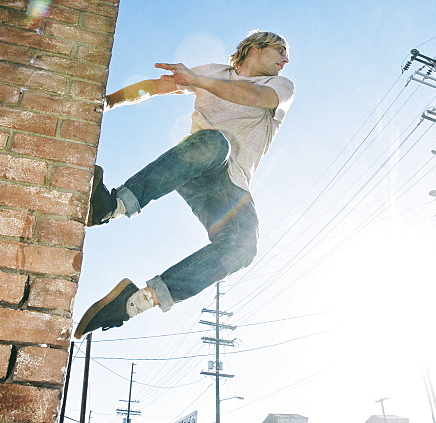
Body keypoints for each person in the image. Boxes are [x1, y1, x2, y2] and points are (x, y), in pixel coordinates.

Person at [74, 30, 294, 338]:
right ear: (254, 48)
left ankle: (134, 302)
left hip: (231, 186)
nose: (286, 60)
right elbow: (155, 87)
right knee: (215, 143)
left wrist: (196, 80)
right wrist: (107, 102)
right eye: (280, 50)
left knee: (242, 247)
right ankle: (111, 206)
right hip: (198, 162)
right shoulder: (214, 71)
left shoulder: (280, 85)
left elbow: (254, 98)